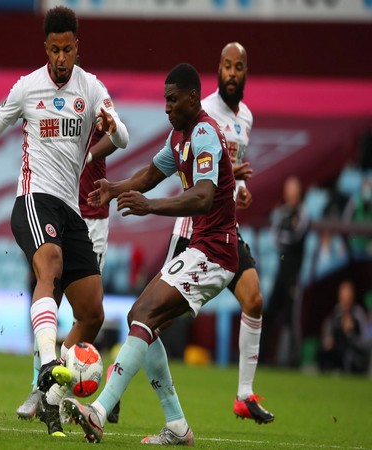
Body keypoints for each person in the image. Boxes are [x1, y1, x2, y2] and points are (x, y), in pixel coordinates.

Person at [0, 6, 128, 437]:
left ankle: (51, 396)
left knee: (92, 311)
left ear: (78, 46)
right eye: (54, 50)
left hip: (71, 210)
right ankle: (49, 369)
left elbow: (124, 137)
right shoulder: (27, 87)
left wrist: (110, 125)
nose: (61, 58)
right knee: (50, 267)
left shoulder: (91, 88)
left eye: (67, 49)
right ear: (46, 48)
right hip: (34, 199)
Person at [63, 63, 237, 445]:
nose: (167, 108)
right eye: (164, 101)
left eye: (173, 101)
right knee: (140, 317)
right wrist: (112, 188)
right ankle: (176, 424)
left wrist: (150, 206)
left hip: (216, 252)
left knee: (142, 314)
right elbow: (149, 174)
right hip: (201, 249)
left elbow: (204, 196)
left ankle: (99, 410)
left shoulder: (205, 133)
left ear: (193, 97)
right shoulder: (179, 137)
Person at [164, 42, 273, 424]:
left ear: (245, 72)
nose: (231, 73)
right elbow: (191, 169)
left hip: (226, 227)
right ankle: (117, 378)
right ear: (218, 69)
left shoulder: (247, 118)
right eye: (226, 66)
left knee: (254, 299)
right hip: (194, 228)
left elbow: (233, 172)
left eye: (238, 67)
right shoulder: (202, 110)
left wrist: (240, 190)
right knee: (156, 317)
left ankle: (244, 395)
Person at [15, 130, 119, 423]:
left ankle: (55, 392)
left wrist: (86, 153)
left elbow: (118, 136)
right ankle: (39, 386)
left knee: (84, 313)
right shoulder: (53, 100)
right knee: (49, 295)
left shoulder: (94, 96)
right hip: (54, 208)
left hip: (91, 216)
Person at [260, 175, 309, 367]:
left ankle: (293, 361)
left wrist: (284, 235)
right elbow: (276, 238)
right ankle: (262, 357)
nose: (291, 193)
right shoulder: (282, 213)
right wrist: (285, 235)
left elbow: (295, 236)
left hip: (294, 274)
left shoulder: (303, 213)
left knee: (292, 317)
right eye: (288, 189)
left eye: (293, 189)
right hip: (281, 270)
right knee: (269, 313)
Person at [317, 280, 370, 374]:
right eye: (342, 296)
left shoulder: (358, 314)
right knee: (322, 350)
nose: (345, 300)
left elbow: (365, 343)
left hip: (354, 354)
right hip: (337, 351)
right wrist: (329, 339)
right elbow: (327, 328)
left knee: (349, 355)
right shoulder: (336, 313)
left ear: (352, 297)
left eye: (347, 296)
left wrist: (350, 334)